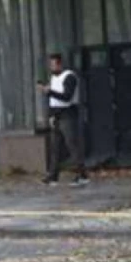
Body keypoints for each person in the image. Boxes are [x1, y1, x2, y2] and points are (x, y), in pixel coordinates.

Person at [37, 54, 89, 187]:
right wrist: (50, 115)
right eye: (50, 65)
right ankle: (53, 176)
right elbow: (53, 100)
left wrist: (49, 92)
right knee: (55, 146)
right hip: (56, 114)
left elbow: (66, 97)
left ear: (60, 64)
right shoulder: (54, 78)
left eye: (54, 64)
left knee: (72, 145)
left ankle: (82, 174)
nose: (51, 67)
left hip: (67, 113)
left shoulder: (69, 77)